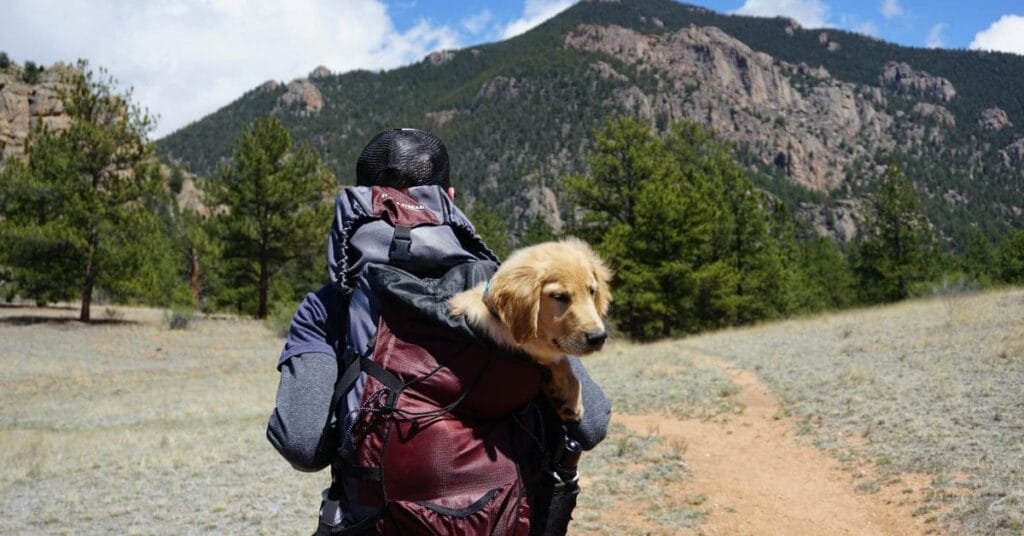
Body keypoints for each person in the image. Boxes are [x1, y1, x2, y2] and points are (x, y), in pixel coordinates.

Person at [266, 128, 611, 535]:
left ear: (364, 199)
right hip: (506, 521)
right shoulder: (504, 293)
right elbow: (591, 426)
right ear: (449, 196)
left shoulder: (329, 305)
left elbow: (303, 446)